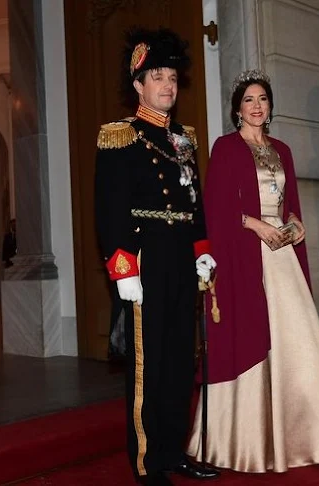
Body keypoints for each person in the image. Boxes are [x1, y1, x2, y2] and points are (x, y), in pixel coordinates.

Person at [186, 69, 319, 472]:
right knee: (251, 332)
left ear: (270, 107)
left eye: (262, 99)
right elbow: (215, 209)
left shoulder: (282, 149)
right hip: (247, 254)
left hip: (282, 255)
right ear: (237, 109)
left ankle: (316, 435)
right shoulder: (226, 148)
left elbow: (290, 203)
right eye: (248, 99)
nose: (256, 105)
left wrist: (295, 225)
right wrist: (256, 225)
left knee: (299, 339)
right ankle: (245, 442)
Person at [94, 28, 219, 486]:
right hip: (145, 261)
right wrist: (122, 267)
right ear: (138, 85)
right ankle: (147, 463)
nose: (168, 84)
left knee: (180, 362)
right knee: (148, 367)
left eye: (172, 76)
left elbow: (194, 203)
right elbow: (108, 210)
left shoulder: (184, 139)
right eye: (157, 77)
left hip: (182, 262)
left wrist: (202, 252)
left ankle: (173, 451)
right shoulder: (120, 137)